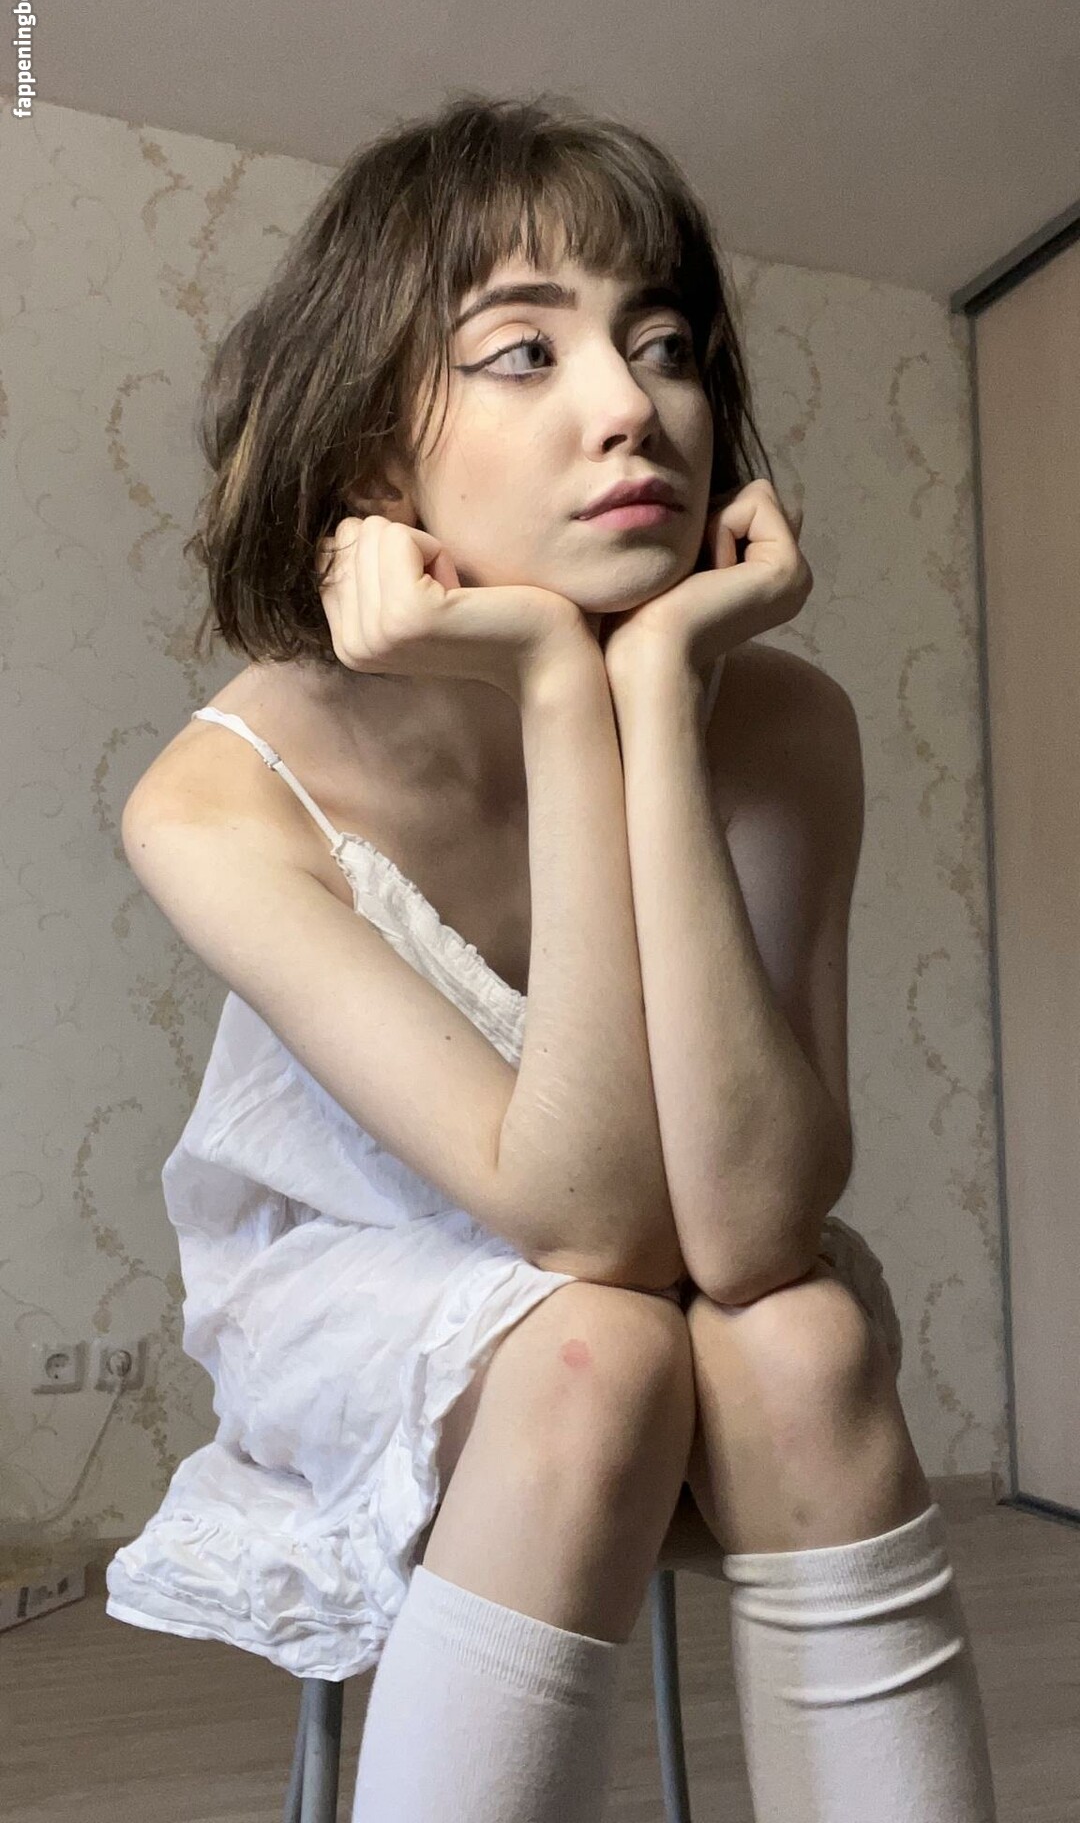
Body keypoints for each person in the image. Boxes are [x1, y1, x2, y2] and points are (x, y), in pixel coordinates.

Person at [106, 93, 997, 1821]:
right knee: (598, 1351)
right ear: (375, 457)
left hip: (678, 1262)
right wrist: (542, 673)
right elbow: (593, 1229)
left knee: (800, 1341)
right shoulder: (216, 799)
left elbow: (747, 1232)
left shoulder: (784, 725)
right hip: (363, 1284)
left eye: (663, 345)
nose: (634, 405)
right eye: (524, 351)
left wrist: (644, 690)